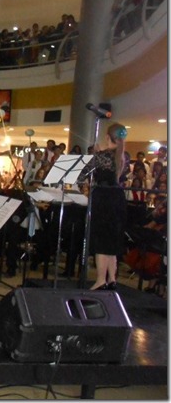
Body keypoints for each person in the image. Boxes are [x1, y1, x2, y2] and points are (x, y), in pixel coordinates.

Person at [84, 123, 128, 291]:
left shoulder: (102, 156)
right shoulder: (123, 155)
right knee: (112, 240)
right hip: (117, 198)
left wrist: (95, 154)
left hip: (103, 197)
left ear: (108, 137)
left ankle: (101, 279)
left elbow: (85, 172)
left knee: (101, 240)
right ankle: (111, 278)